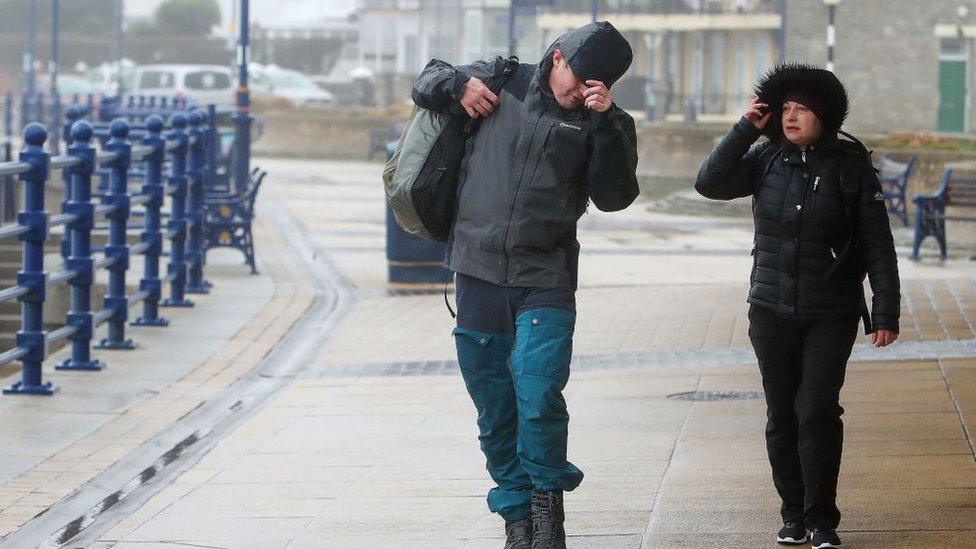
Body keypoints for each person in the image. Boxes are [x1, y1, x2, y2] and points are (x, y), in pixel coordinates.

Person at [412, 22, 639, 549]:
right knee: (495, 408)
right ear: (556, 58)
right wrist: (457, 87)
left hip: (547, 278)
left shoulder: (604, 120)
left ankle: (546, 508)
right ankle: (516, 518)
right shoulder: (501, 80)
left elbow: (615, 196)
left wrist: (606, 124)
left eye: (599, 84)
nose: (582, 90)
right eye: (579, 77)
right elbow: (425, 81)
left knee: (538, 393)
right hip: (476, 271)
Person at [695, 63, 901, 549]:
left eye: (802, 109)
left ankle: (821, 519)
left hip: (831, 311)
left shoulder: (851, 166)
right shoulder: (767, 159)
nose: (791, 117)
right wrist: (747, 127)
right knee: (782, 414)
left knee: (816, 410)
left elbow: (878, 244)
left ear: (824, 115)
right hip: (769, 310)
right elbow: (709, 181)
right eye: (785, 108)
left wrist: (885, 311)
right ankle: (792, 514)